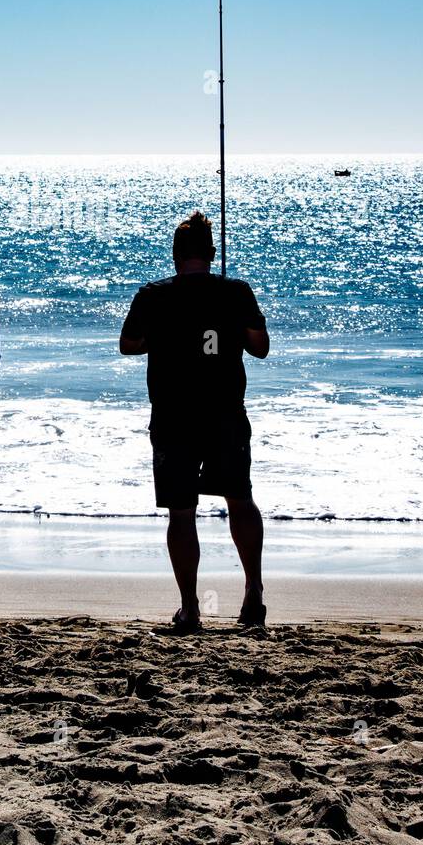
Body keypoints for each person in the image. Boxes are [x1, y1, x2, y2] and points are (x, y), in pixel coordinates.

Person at [119, 211, 269, 632]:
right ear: (211, 253)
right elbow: (261, 347)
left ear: (175, 255)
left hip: (173, 415)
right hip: (225, 413)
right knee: (239, 499)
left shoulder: (153, 295)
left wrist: (162, 340)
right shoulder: (236, 292)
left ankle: (190, 607)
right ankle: (253, 590)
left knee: (181, 513)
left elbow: (128, 345)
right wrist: (233, 328)